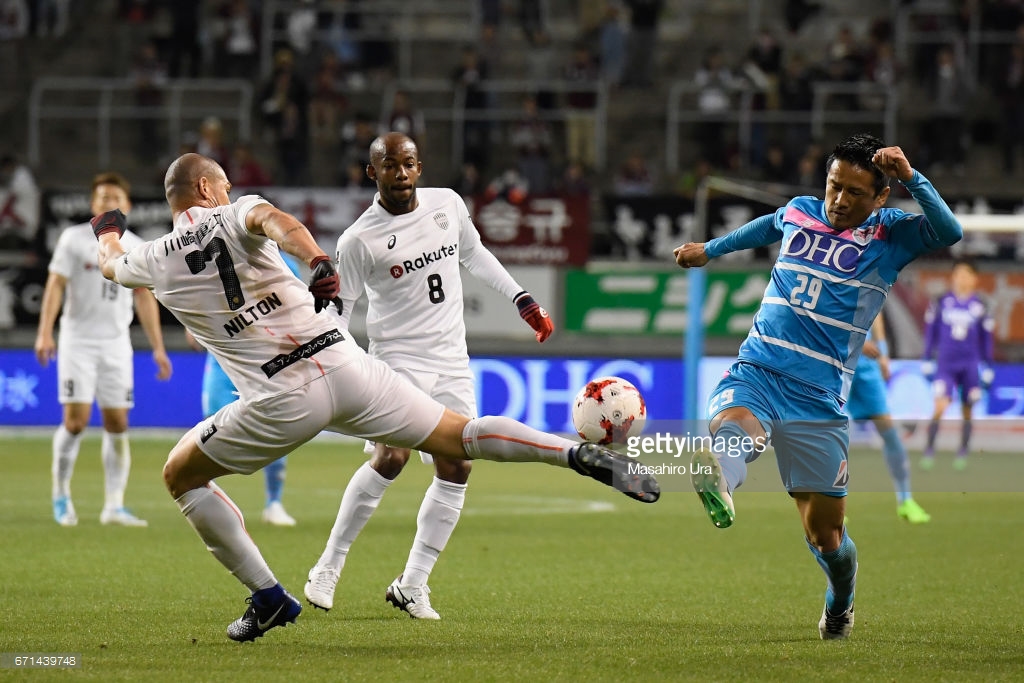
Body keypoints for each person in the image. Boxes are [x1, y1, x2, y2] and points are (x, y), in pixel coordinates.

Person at [90, 152, 658, 643]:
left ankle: (267, 596)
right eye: (225, 187)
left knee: (180, 476)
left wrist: (108, 227)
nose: (231, 193)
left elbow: (112, 265)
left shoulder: (154, 256)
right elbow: (277, 221)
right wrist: (315, 260)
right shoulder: (239, 211)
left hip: (281, 398)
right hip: (348, 364)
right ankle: (570, 454)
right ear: (209, 190)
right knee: (459, 436)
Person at [673, 133, 961, 640]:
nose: (839, 200)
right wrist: (710, 250)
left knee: (826, 536)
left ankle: (841, 602)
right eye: (834, 186)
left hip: (819, 397)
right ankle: (721, 473)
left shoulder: (891, 235)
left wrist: (912, 177)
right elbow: (769, 224)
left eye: (854, 192)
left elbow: (949, 230)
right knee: (738, 427)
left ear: (879, 197)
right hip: (760, 366)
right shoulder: (801, 211)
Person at [303, 132, 555, 619]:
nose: (401, 173)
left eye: (409, 164)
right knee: (391, 456)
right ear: (370, 172)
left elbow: (475, 253)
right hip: (398, 360)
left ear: (420, 167)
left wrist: (521, 298)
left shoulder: (447, 204)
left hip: (451, 359)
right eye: (389, 165)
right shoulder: (358, 239)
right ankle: (328, 565)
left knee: (458, 465)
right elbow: (341, 308)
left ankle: (412, 583)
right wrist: (334, 356)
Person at [34, 171, 172, 527]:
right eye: (102, 197)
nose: (109, 202)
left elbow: (145, 299)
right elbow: (54, 286)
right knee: (76, 421)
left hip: (116, 345)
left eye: (115, 197)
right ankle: (61, 495)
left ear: (126, 205)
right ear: (93, 203)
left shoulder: (138, 245)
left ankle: (114, 505)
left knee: (118, 422)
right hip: (77, 341)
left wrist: (158, 348)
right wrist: (44, 333)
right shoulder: (74, 239)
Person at [193, 252, 302, 526]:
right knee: (212, 431)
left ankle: (274, 502)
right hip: (223, 363)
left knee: (278, 429)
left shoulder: (286, 265)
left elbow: (298, 311)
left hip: (266, 362)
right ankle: (210, 503)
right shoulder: (218, 259)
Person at [845, 313, 930, 523]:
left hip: (866, 363)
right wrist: (853, 342)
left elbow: (876, 310)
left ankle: (905, 500)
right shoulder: (830, 279)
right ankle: (831, 505)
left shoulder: (870, 280)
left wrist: (882, 353)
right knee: (834, 432)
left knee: (889, 431)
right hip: (837, 359)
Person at [920, 258, 994, 470]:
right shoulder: (941, 301)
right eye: (958, 274)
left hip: (970, 364)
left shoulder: (981, 305)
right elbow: (931, 332)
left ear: (974, 279)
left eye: (966, 275)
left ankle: (963, 451)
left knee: (968, 409)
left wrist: (988, 366)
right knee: (940, 406)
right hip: (946, 363)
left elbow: (986, 338)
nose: (961, 279)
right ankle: (929, 449)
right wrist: (926, 358)